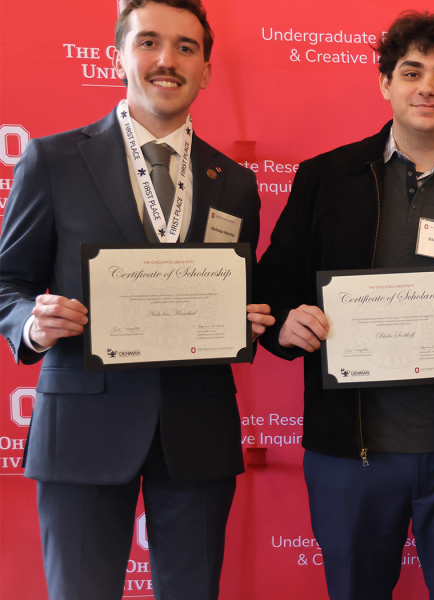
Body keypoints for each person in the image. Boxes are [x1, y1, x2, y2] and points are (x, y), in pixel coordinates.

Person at [253, 11, 434, 600]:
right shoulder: (325, 179)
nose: (427, 88)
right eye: (411, 72)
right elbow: (272, 283)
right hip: (349, 454)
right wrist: (287, 324)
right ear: (385, 82)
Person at [0, 1, 272, 598]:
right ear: (118, 56)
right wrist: (32, 324)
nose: (166, 61)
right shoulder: (52, 160)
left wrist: (248, 316)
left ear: (205, 68)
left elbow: (236, 285)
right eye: (149, 42)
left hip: (196, 430)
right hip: (81, 427)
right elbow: (7, 282)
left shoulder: (236, 181)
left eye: (185, 47)